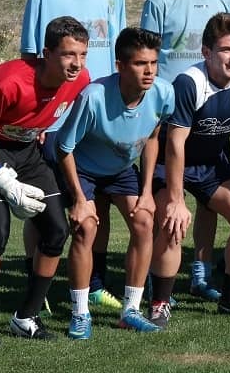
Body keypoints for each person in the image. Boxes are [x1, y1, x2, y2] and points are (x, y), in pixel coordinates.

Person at [0, 16, 91, 345]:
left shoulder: (81, 79)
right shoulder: (7, 82)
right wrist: (1, 177)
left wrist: (39, 126)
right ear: (46, 53)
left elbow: (54, 107)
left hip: (27, 148)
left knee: (57, 230)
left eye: (82, 54)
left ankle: (26, 317)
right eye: (68, 55)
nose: (76, 64)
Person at [20, 0, 127, 312]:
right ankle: (38, 286)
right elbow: (32, 59)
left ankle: (94, 282)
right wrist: (40, 117)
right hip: (56, 119)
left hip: (99, 119)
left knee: (96, 205)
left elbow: (119, 54)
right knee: (45, 206)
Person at [147, 13, 230, 324]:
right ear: (206, 53)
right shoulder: (189, 83)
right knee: (172, 225)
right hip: (170, 164)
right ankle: (159, 301)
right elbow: (174, 145)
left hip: (212, 164)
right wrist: (175, 200)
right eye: (227, 50)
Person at [56, 28, 174, 339]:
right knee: (86, 228)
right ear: (120, 66)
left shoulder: (163, 93)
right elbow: (63, 148)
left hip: (121, 170)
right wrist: (80, 199)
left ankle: (130, 311)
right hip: (83, 169)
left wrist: (147, 192)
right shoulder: (92, 97)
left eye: (153, 62)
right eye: (139, 64)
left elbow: (152, 137)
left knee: (145, 221)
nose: (148, 71)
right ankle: (80, 313)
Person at [141, 0, 230, 301]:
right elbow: (147, 59)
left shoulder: (227, 1)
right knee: (166, 203)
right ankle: (155, 275)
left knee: (207, 200)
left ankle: (201, 273)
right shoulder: (161, 1)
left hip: (212, 120)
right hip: (170, 120)